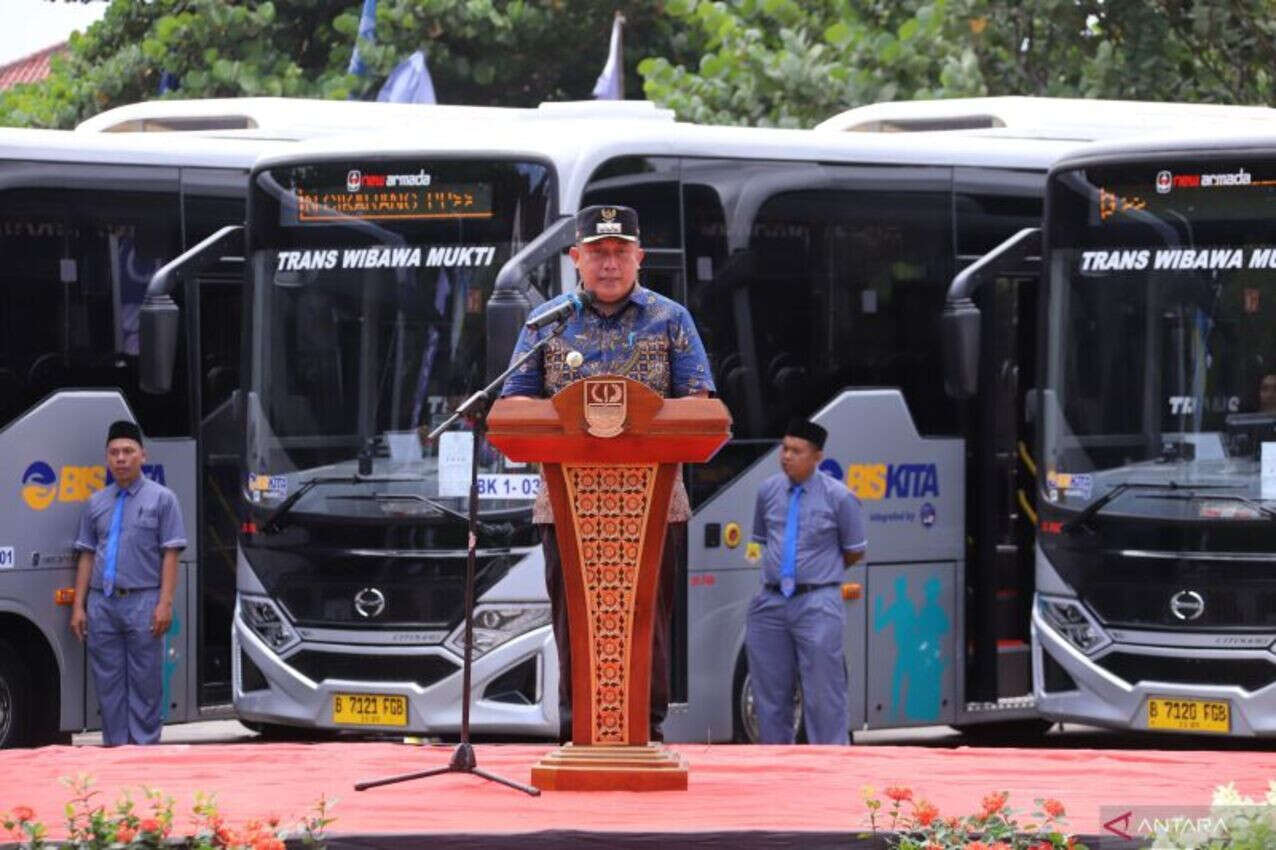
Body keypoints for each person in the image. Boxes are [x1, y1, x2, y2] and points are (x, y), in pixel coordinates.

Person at [501, 204, 715, 742]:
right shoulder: (546, 322)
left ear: (640, 257)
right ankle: (579, 733)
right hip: (567, 504)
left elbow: (701, 405)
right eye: (598, 253)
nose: (610, 264)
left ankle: (647, 731)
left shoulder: (671, 319)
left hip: (655, 505)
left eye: (621, 252)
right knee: (575, 619)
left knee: (649, 619)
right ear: (576, 258)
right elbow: (513, 405)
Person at [745, 419, 866, 744]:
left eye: (796, 451)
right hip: (770, 603)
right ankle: (777, 768)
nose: (786, 456)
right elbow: (760, 541)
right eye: (784, 449)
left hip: (817, 604)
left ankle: (829, 771)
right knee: (769, 695)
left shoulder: (839, 497)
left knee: (823, 696)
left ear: (817, 457)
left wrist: (818, 573)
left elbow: (854, 551)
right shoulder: (768, 491)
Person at [70, 420, 186, 746]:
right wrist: (79, 606)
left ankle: (143, 752)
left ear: (143, 456)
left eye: (128, 451)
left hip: (144, 602)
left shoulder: (163, 500)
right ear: (107, 458)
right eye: (114, 452)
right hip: (102, 603)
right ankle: (116, 749)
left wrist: (165, 602)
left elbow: (170, 554)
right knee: (107, 681)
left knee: (146, 681)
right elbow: (87, 555)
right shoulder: (96, 503)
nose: (121, 458)